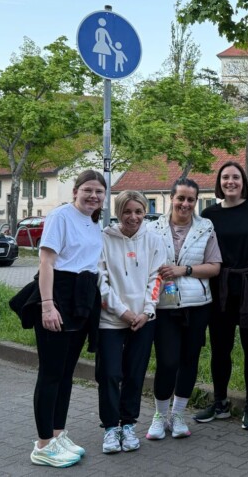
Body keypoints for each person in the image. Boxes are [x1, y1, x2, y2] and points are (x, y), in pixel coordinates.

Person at [30, 170, 106, 467]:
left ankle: (57, 434)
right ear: (75, 190)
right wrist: (47, 306)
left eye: (99, 192)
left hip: (82, 299)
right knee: (50, 374)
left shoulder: (93, 222)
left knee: (66, 374)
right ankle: (42, 443)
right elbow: (46, 262)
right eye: (88, 190)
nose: (93, 196)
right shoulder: (61, 217)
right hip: (58, 295)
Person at [192, 162, 248, 430]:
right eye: (225, 177)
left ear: (244, 182)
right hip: (221, 288)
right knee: (220, 348)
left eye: (235, 177)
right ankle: (220, 403)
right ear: (219, 182)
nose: (230, 181)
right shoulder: (209, 214)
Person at [146, 178, 222, 441]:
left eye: (191, 199)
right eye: (181, 198)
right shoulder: (153, 228)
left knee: (189, 361)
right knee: (167, 362)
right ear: (171, 198)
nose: (186, 204)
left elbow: (214, 267)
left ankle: (178, 415)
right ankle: (159, 416)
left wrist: (184, 270)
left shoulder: (205, 227)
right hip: (164, 306)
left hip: (197, 305)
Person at [96, 190, 162, 454]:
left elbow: (156, 278)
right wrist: (122, 312)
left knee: (135, 374)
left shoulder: (154, 239)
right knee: (110, 374)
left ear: (144, 212)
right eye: (127, 211)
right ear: (118, 212)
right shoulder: (104, 239)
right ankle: (111, 428)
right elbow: (100, 281)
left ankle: (128, 424)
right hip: (111, 320)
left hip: (143, 320)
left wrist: (146, 311)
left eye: (138, 211)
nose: (133, 217)